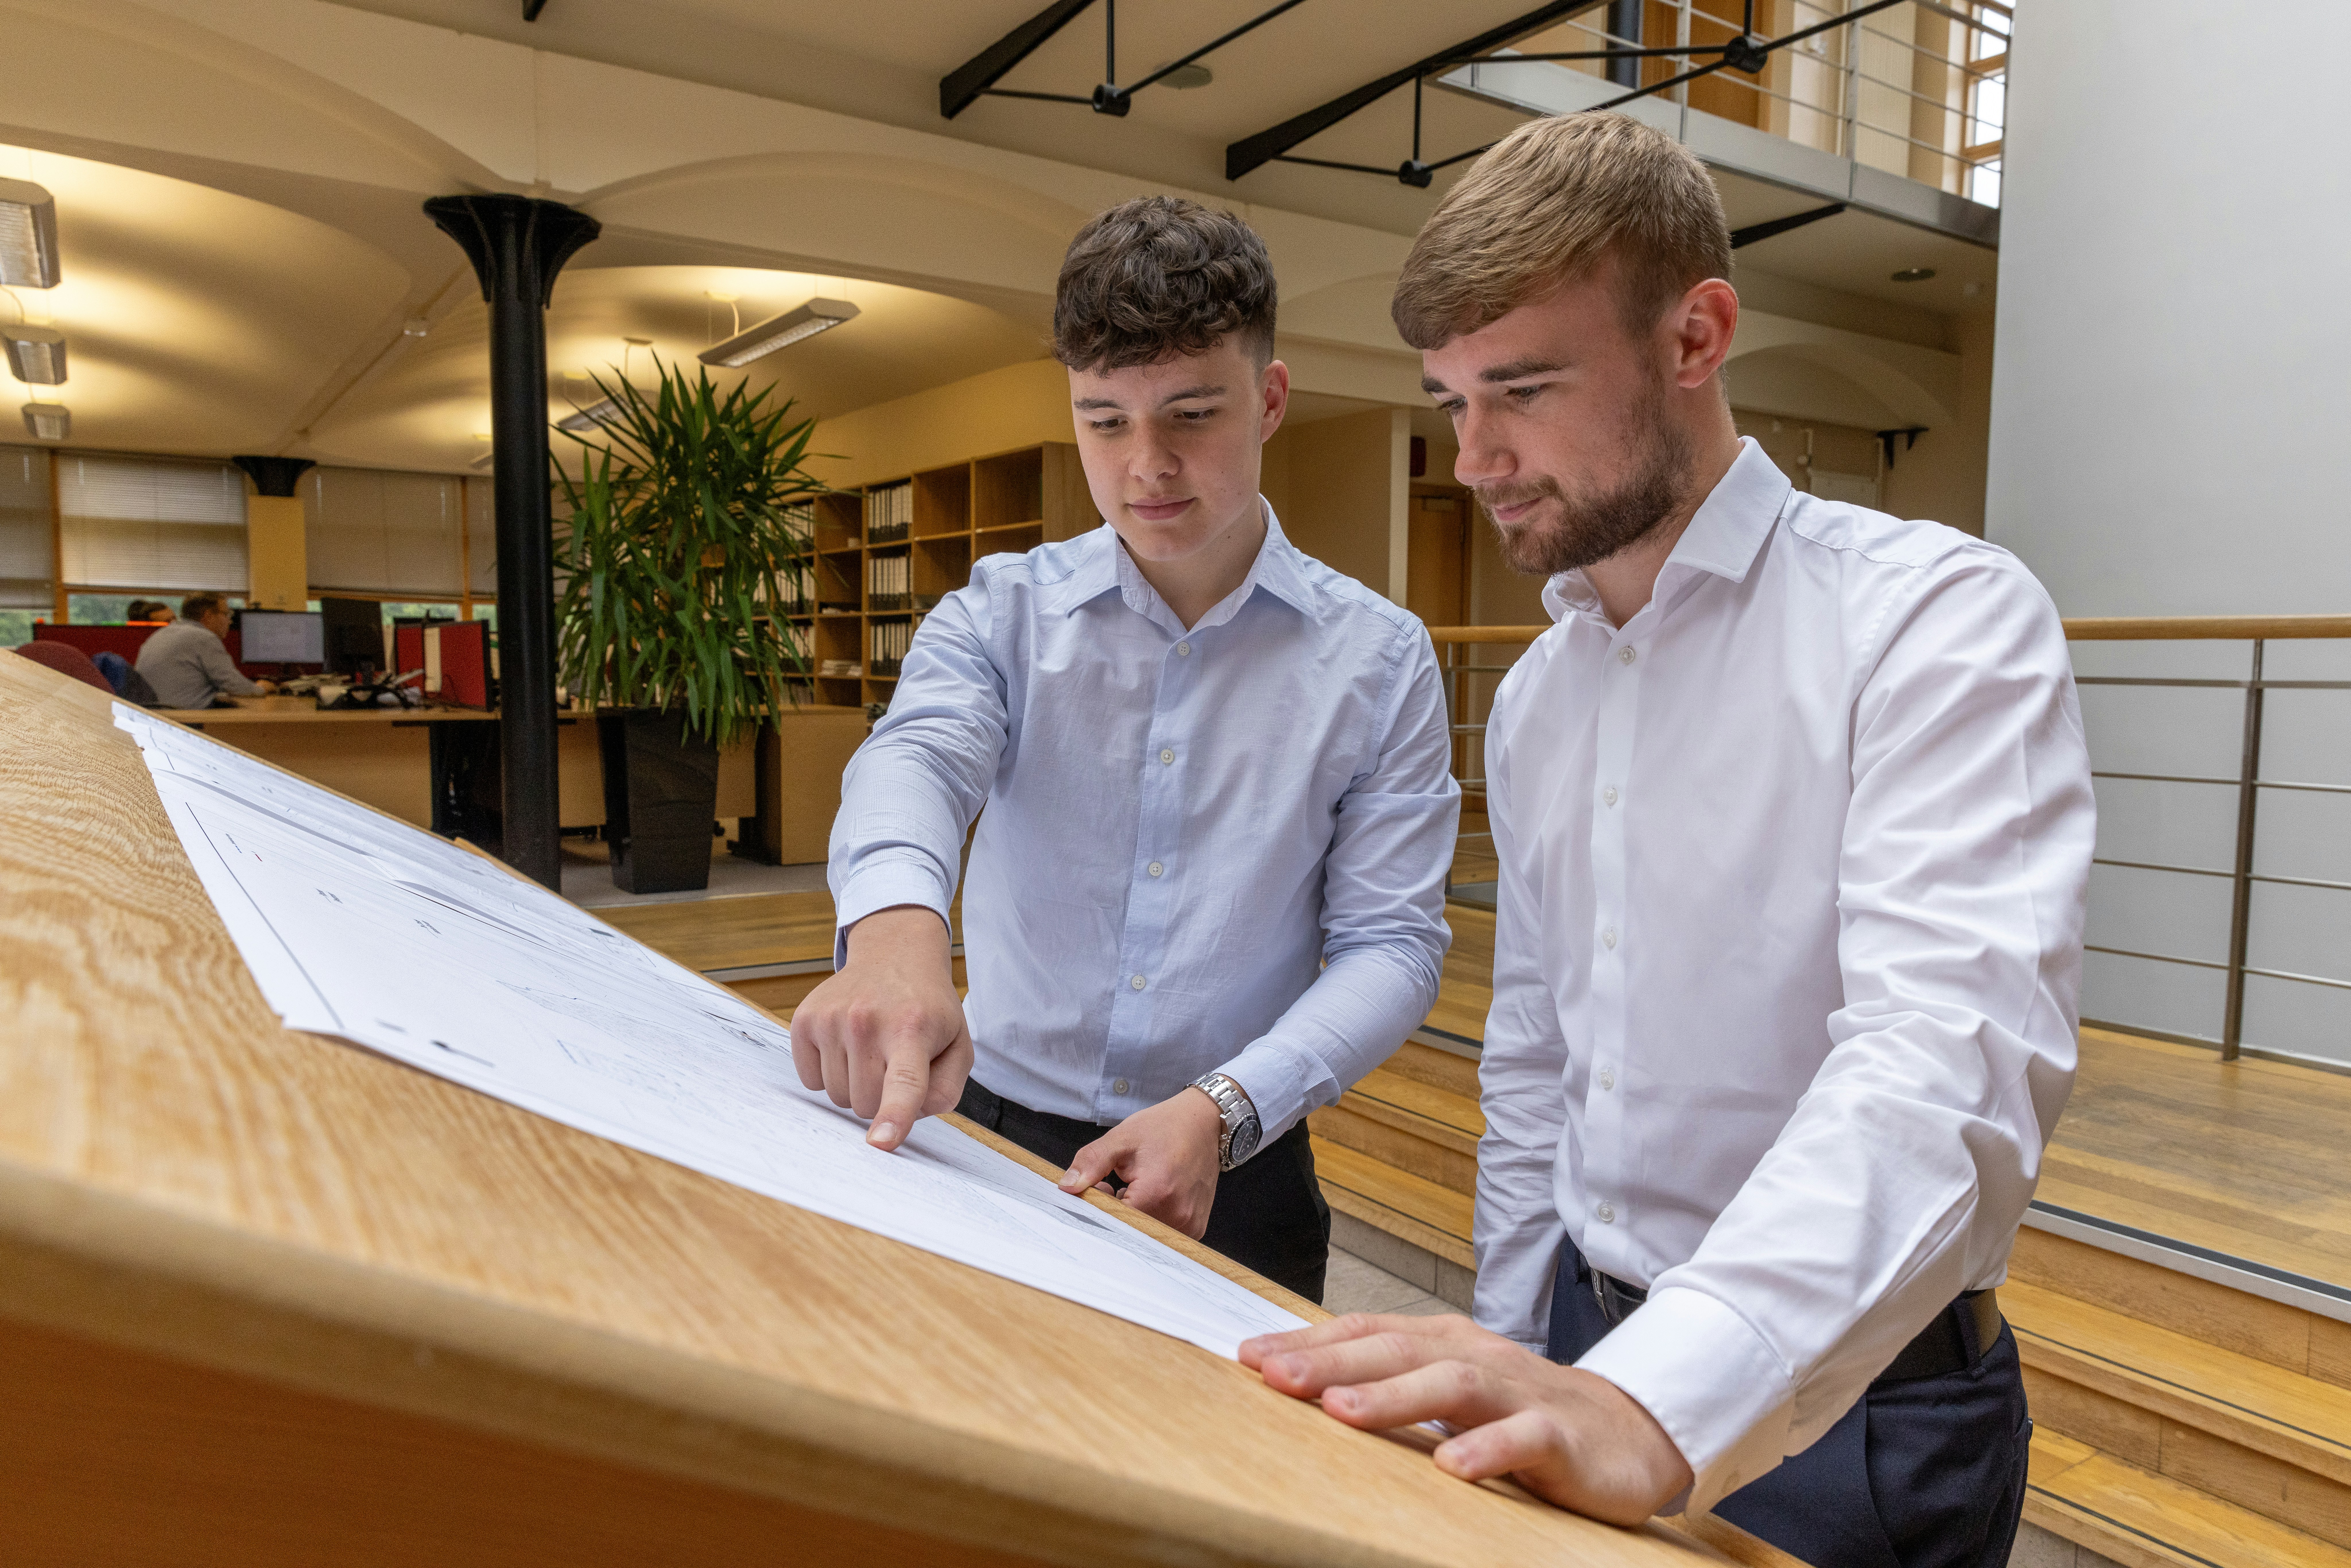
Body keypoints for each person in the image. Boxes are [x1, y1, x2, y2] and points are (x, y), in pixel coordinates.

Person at [1239, 110, 2095, 1567]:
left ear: (1695, 337)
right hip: (1580, 1329)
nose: (1472, 456)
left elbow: (1947, 1056)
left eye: (1520, 389)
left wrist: (1655, 1398)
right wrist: (1519, 1347)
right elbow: (1535, 1057)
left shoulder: (1935, 618)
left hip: (1861, 1408)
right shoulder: (1542, 697)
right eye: (1449, 399)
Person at [790, 196, 1460, 1302]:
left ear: (1270, 399)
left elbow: (1391, 942)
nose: (1145, 465)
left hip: (1237, 1151)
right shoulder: (999, 613)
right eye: (1104, 422)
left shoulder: (1379, 660)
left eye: (1190, 415)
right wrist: (895, 935)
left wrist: (1225, 1107)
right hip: (990, 1128)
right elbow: (916, 756)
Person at [136, 593, 276, 709]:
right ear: (208, 616)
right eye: (226, 614)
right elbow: (235, 686)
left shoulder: (161, 634)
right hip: (186, 718)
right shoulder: (203, 637)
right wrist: (263, 688)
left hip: (155, 715)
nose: (230, 621)